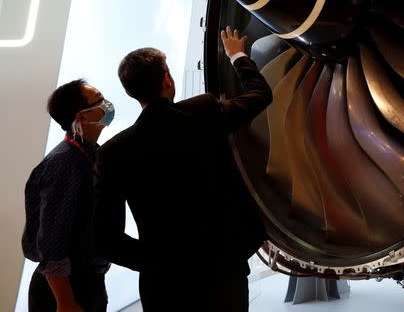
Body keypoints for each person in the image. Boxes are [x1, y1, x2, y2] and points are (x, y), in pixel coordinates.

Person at [93, 27, 271, 311]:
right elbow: (260, 94)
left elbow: (105, 237)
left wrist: (157, 262)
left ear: (130, 93)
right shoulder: (203, 112)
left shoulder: (112, 152)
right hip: (223, 272)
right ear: (167, 80)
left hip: (163, 286)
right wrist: (236, 54)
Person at [23, 79, 114, 312]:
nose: (107, 105)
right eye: (100, 100)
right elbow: (51, 239)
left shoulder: (90, 153)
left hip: (87, 281)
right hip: (66, 290)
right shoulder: (65, 162)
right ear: (81, 117)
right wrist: (65, 302)